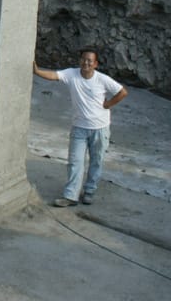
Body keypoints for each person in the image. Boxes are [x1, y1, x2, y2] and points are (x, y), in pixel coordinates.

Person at [32, 47, 127, 207]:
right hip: (79, 128)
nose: (86, 63)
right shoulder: (71, 74)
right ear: (80, 60)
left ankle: (89, 190)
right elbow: (54, 75)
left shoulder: (102, 79)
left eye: (90, 61)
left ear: (95, 64)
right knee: (75, 161)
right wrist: (37, 71)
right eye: (84, 59)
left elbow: (122, 92)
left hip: (100, 128)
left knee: (96, 161)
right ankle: (71, 196)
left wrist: (108, 104)